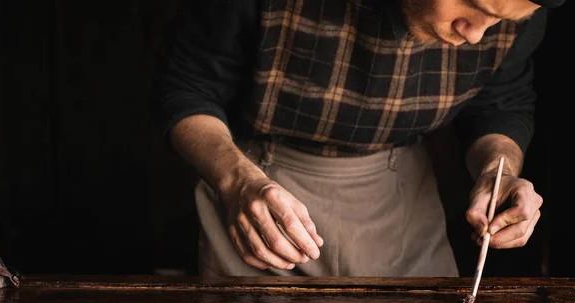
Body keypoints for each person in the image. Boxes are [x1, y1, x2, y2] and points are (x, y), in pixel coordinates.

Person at [151, 0, 560, 277]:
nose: (474, 35)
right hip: (260, 190)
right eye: (474, 6)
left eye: (502, 22)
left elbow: (499, 104)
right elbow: (189, 87)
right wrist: (237, 182)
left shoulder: (516, 13)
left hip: (401, 200)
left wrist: (498, 172)